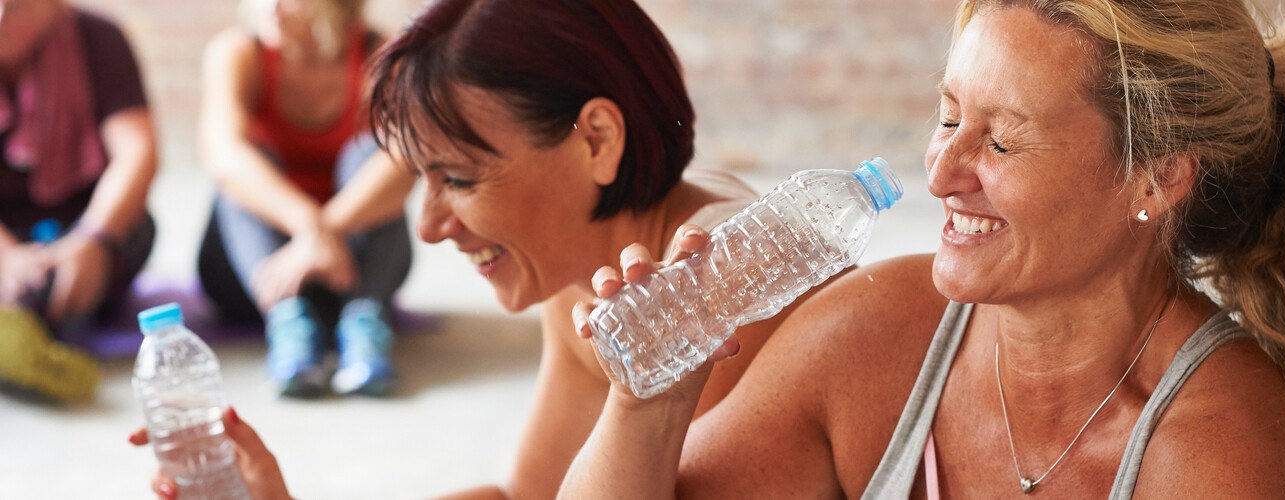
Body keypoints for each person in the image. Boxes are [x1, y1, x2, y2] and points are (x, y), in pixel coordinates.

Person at [560, 0, 1285, 497]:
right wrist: (651, 410)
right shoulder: (877, 331)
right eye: (950, 116)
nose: (941, 174)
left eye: (1001, 143)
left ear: (1156, 179)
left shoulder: (1226, 455)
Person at [131, 0, 818, 497]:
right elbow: (528, 495)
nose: (428, 227)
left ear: (597, 141)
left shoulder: (722, 279)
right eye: (419, 180)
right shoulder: (590, 259)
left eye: (457, 178)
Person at [194, 0, 416, 398]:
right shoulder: (237, 52)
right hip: (259, 275)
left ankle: (365, 325)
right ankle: (290, 325)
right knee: (245, 165)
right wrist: (308, 227)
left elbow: (406, 165)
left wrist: (325, 230)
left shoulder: (378, 53)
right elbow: (222, 153)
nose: (271, 7)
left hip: (350, 269)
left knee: (371, 153)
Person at [0, 0, 157, 404]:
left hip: (79, 228)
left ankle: (28, 314)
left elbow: (137, 151)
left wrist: (93, 237)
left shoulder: (99, 39)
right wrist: (6, 257)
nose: (2, 16)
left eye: (16, 5)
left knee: (136, 228)